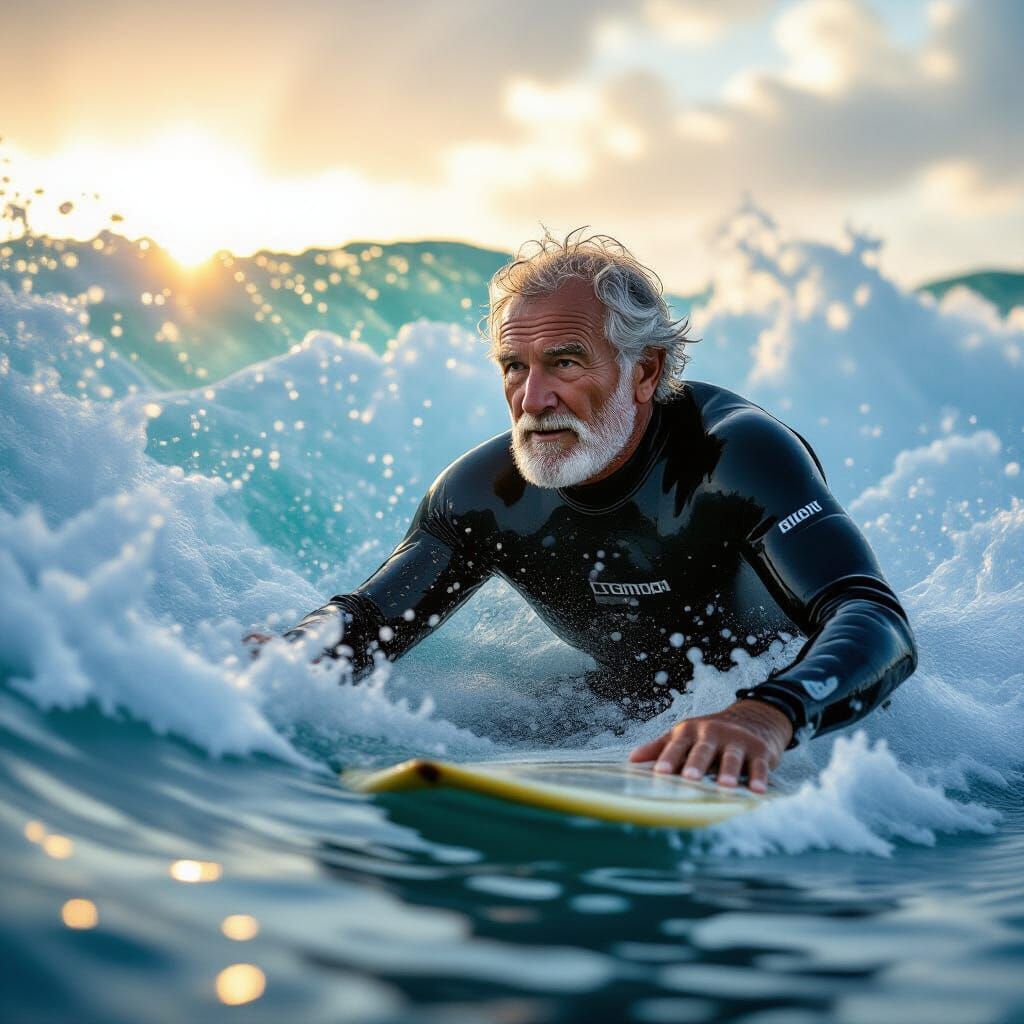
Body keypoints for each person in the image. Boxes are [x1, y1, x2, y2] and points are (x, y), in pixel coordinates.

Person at [247, 230, 917, 793]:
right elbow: (367, 622)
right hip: (614, 710)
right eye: (514, 366)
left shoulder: (735, 456)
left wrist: (768, 715)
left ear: (646, 372)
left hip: (795, 710)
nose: (533, 397)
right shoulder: (483, 496)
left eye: (565, 362)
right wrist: (297, 652)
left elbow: (873, 618)